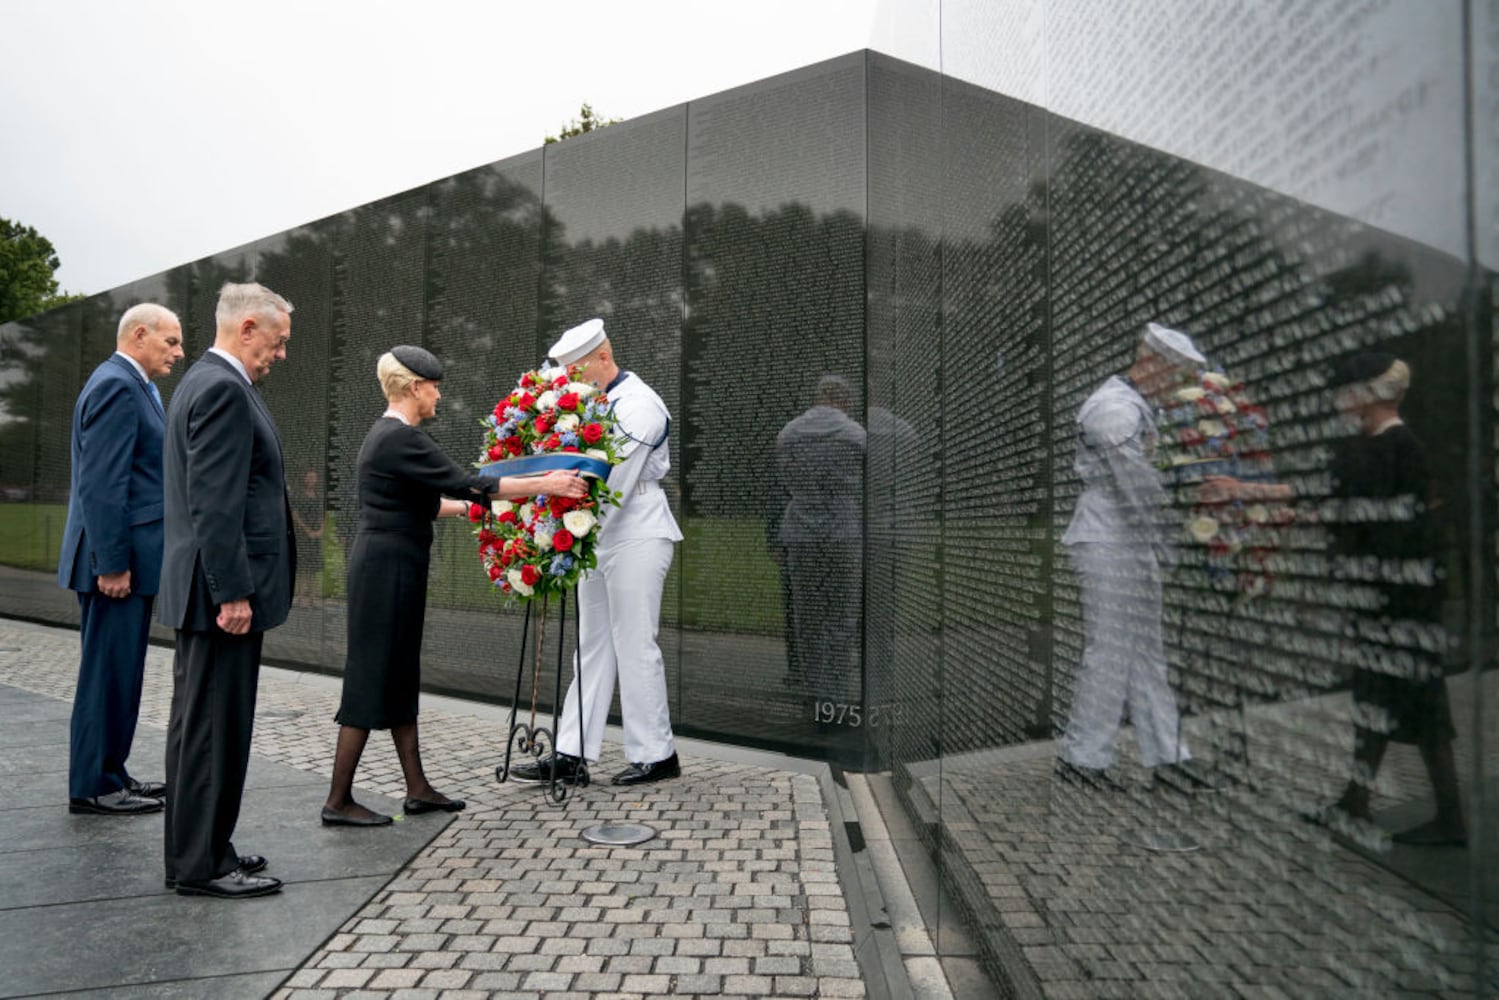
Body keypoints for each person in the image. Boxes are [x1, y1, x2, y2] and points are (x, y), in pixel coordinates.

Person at [321, 346, 588, 826]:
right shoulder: (402, 439)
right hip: (388, 571)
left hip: (390, 565)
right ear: (415, 388)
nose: (439, 395)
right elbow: (470, 483)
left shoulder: (389, 438)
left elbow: (426, 503)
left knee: (399, 673)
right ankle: (338, 801)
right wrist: (547, 484)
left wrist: (469, 510)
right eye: (435, 387)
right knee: (372, 674)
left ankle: (417, 788)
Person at [1211, 354, 1465, 846]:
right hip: (1398, 600)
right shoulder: (1390, 447)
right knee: (1382, 699)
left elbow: (1328, 499)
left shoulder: (1388, 448)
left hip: (1397, 603)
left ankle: (1444, 817)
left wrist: (1247, 492)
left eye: (1345, 395)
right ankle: (1358, 800)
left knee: (1415, 705)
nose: (1339, 404)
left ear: (1365, 395)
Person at [156, 282, 295, 899]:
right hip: (222, 598)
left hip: (209, 591)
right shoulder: (220, 388)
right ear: (246, 329)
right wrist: (232, 593)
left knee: (204, 728)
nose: (281, 354)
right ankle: (200, 867)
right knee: (213, 730)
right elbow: (216, 504)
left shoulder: (204, 382)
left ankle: (207, 847)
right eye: (278, 341)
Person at [512, 318, 685, 787]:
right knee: (590, 648)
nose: (568, 382)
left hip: (635, 533)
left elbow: (612, 485)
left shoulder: (639, 405)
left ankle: (655, 753)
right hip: (593, 535)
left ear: (603, 359)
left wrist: (559, 532)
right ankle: (572, 753)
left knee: (634, 642)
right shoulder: (595, 401)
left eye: (576, 371)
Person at [1057, 322, 1203, 790]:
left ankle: (1167, 755)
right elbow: (1136, 485)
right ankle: (1083, 757)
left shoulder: (1132, 405)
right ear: (1153, 362)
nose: (1177, 385)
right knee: (1111, 649)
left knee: (1146, 653)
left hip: (1129, 539)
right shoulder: (1114, 409)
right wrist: (1175, 531)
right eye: (1176, 373)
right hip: (1108, 537)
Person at [57, 303, 183, 815]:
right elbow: (103, 486)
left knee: (121, 671)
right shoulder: (116, 386)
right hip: (115, 565)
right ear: (139, 335)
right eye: (170, 342)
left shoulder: (131, 385)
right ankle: (95, 785)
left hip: (127, 561)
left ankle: (112, 771)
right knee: (107, 674)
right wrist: (111, 564)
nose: (178, 352)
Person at [766, 375, 866, 702]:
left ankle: (813, 689)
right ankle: (833, 692)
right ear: (846, 401)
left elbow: (783, 480)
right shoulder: (856, 435)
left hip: (801, 529)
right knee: (841, 614)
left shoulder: (789, 434)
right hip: (844, 530)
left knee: (807, 616)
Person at [290, 468, 324, 606]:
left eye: (313, 478)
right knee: (304, 567)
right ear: (304, 479)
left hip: (316, 535)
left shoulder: (318, 495)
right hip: (303, 535)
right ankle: (301, 596)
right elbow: (295, 515)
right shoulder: (298, 495)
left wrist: (321, 530)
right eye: (309, 477)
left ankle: (313, 597)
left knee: (314, 567)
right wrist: (307, 530)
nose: (311, 480)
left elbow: (323, 514)